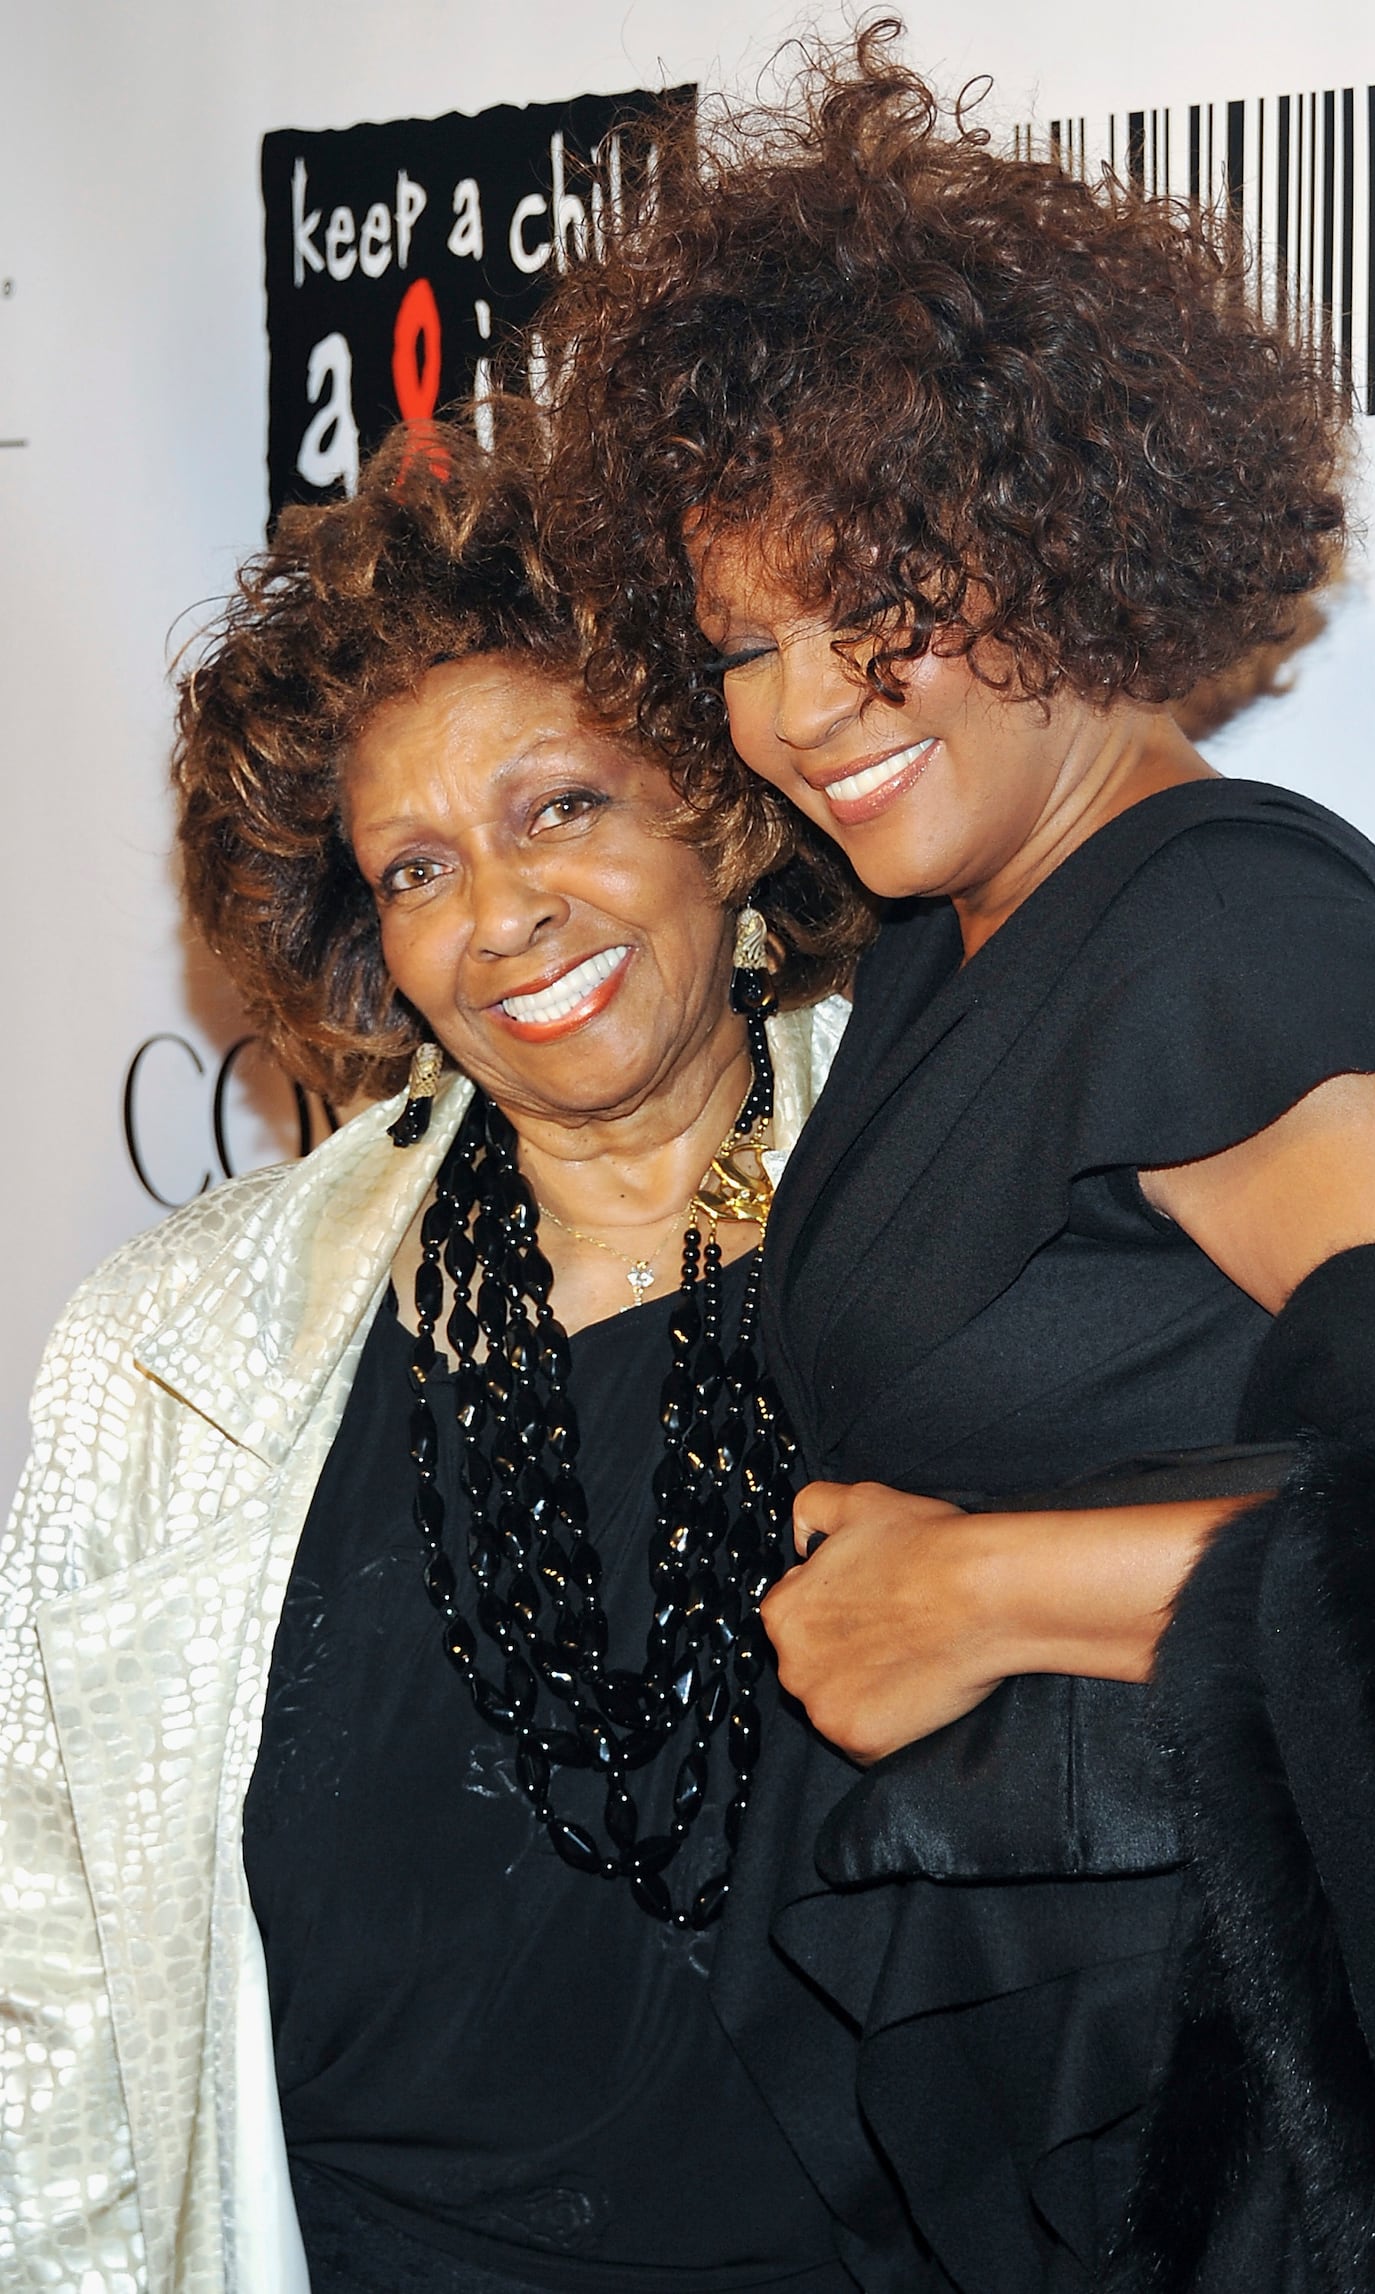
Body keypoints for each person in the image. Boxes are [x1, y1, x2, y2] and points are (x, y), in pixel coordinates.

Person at [537, 25, 1375, 2291]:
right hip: (1085, 2102)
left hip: (1277, 2121)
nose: (808, 703)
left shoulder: (1211, 928)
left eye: (880, 598)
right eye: (745, 641)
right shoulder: (953, 934)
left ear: (1060, 528)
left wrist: (980, 1589)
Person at [0, 415, 870, 2294]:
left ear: (720, 807)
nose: (502, 915)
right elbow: (50, 1993)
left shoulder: (948, 1212)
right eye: (414, 868)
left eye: (562, 805)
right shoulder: (177, 1360)